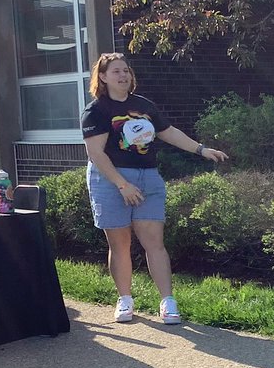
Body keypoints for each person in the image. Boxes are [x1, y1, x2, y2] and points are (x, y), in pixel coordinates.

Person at [81, 52, 228, 324]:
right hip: (110, 179)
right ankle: (125, 299)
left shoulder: (143, 105)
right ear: (102, 77)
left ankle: (168, 302)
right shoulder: (97, 111)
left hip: (147, 176)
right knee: (120, 243)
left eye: (126, 70)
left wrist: (201, 149)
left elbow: (168, 132)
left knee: (154, 243)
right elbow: (96, 154)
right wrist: (122, 185)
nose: (123, 75)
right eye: (116, 71)